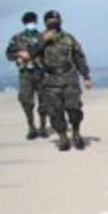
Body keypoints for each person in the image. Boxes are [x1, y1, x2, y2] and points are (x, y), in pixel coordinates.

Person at [20, 10, 91, 151]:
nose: (54, 23)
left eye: (56, 20)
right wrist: (43, 41)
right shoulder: (40, 39)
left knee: (74, 108)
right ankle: (63, 137)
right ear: (46, 22)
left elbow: (79, 57)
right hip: (51, 79)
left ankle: (76, 133)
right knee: (56, 112)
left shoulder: (69, 38)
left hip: (69, 77)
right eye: (50, 21)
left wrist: (86, 76)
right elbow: (28, 55)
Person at [5, 11, 50, 140]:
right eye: (29, 21)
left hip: (41, 72)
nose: (31, 23)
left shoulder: (43, 37)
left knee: (44, 101)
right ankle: (31, 127)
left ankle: (43, 127)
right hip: (25, 73)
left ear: (36, 22)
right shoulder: (17, 38)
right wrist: (19, 54)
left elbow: (49, 53)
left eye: (33, 21)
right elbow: (8, 54)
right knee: (26, 101)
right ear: (25, 23)